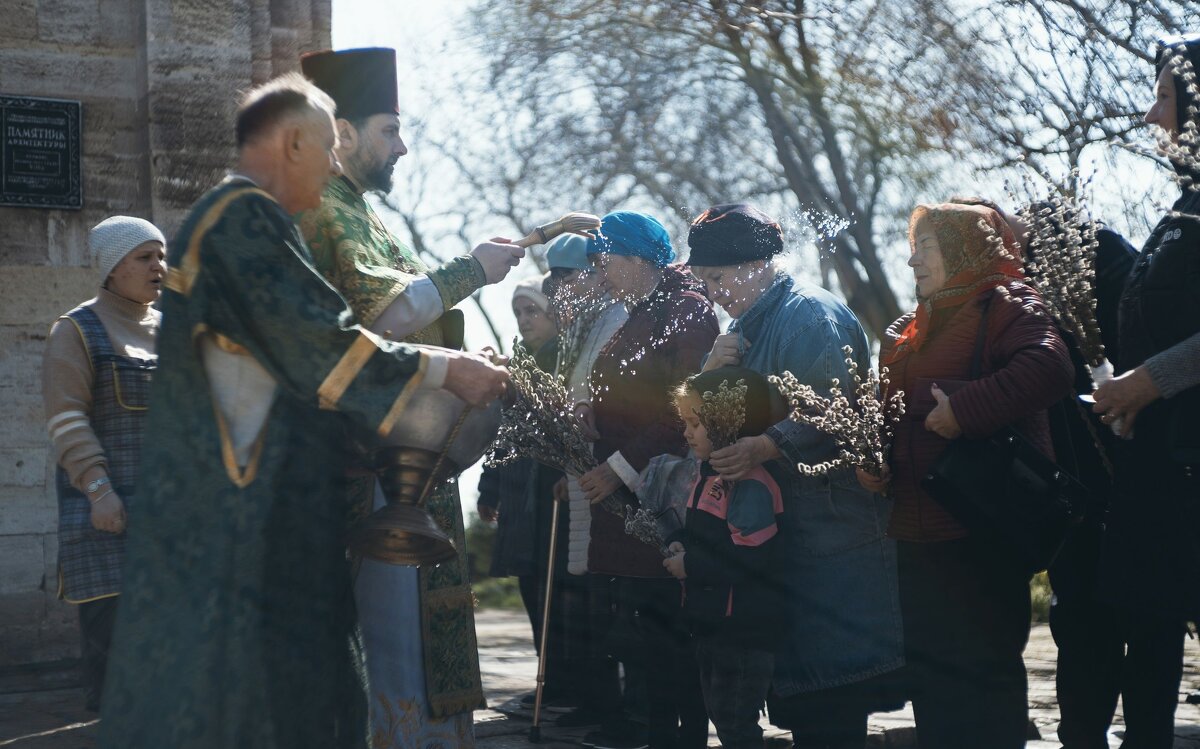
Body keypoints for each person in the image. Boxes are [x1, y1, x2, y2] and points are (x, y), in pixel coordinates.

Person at [96, 73, 509, 749]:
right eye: (325, 147)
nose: (333, 166)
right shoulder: (244, 219)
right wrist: (448, 368)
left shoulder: (236, 219)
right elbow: (327, 349)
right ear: (291, 143)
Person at [295, 47, 525, 744]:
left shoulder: (362, 211)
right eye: (390, 129)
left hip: (414, 464)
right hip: (367, 468)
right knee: (393, 651)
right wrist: (471, 271)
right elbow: (383, 319)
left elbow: (409, 320)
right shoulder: (322, 208)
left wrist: (463, 356)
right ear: (342, 131)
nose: (403, 145)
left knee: (425, 643)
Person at [686, 203, 903, 749]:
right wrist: (713, 372)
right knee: (808, 702)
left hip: (832, 528)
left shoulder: (808, 315)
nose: (712, 291)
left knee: (832, 702)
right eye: (703, 280)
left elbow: (833, 403)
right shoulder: (744, 326)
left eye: (717, 277)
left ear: (757, 263)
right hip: (792, 534)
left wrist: (764, 444)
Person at [862, 202, 1073, 749]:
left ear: (964, 248)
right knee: (932, 681)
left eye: (927, 246)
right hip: (914, 531)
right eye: (914, 247)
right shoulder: (906, 329)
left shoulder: (1006, 303)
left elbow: (1050, 368)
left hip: (981, 527)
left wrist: (963, 409)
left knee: (986, 677)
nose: (913, 261)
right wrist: (876, 461)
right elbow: (889, 412)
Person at [950, 193, 1138, 748]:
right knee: (1080, 611)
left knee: (1129, 613)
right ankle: (1084, 734)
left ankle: (1126, 729)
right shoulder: (995, 290)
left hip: (1122, 460)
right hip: (1067, 479)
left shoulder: (1090, 256)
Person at [1089, 32, 1200, 748]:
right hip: (1162, 473)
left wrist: (1147, 383)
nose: (1152, 115)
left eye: (1165, 98)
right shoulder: (1183, 208)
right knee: (1150, 634)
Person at [577, 210, 718, 749]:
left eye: (607, 260)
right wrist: (591, 410)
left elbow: (682, 409)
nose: (601, 271)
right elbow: (630, 391)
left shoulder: (686, 312)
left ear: (639, 260)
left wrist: (617, 470)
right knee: (648, 637)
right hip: (634, 494)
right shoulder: (640, 310)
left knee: (670, 638)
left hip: (663, 496)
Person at [42, 216, 167, 712]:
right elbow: (66, 418)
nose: (159, 266)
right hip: (106, 519)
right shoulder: (75, 330)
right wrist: (98, 490)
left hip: (168, 517)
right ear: (113, 267)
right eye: (145, 257)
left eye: (161, 255)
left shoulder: (173, 329)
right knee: (116, 664)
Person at [663, 366, 785, 749]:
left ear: (728, 421)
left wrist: (691, 566)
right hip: (713, 624)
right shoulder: (708, 474)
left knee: (735, 720)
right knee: (721, 712)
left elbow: (749, 558)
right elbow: (702, 532)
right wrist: (680, 542)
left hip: (743, 630)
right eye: (684, 422)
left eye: (695, 423)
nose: (686, 432)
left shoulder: (749, 482)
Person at [541, 234, 629, 730]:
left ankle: (622, 707)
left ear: (597, 274)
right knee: (591, 585)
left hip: (611, 470)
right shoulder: (581, 325)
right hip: (581, 470)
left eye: (570, 276)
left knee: (613, 587)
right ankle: (597, 700)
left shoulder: (616, 317)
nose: (562, 288)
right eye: (556, 279)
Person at [476, 275, 571, 709]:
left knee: (561, 591)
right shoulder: (517, 364)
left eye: (532, 310)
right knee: (533, 588)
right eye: (518, 312)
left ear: (554, 313)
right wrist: (488, 489)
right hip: (519, 494)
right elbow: (502, 434)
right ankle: (548, 682)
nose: (524, 319)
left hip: (553, 494)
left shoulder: (567, 358)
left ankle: (571, 684)